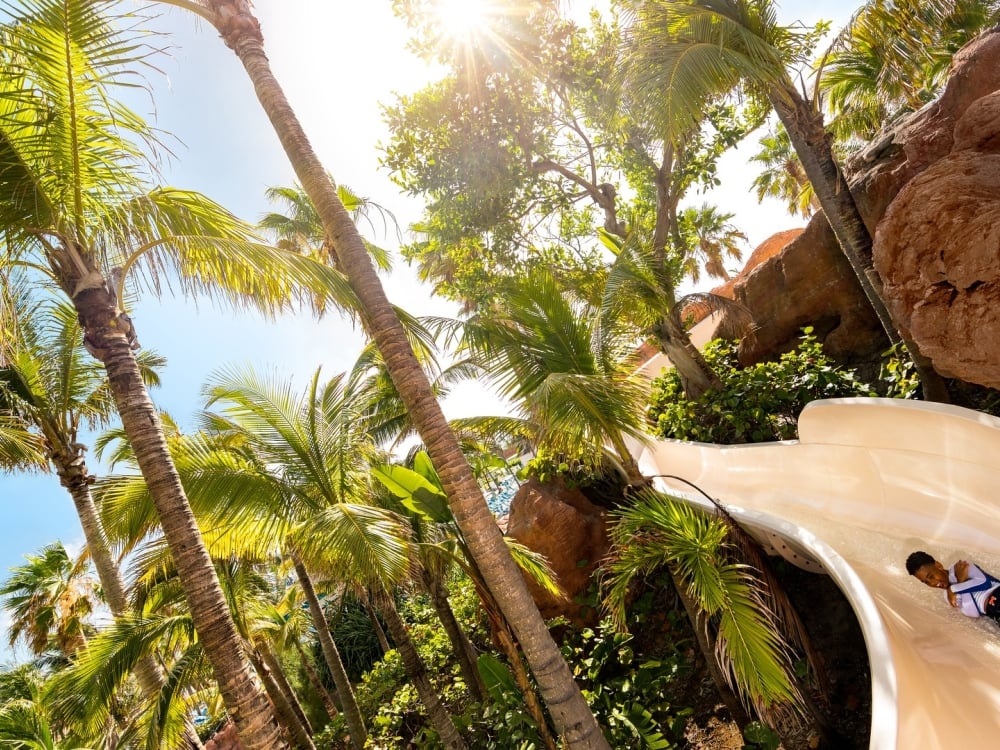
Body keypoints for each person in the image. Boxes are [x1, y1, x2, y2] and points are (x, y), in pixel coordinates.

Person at [906, 550, 1000, 626]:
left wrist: (953, 589)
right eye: (926, 582)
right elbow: (973, 613)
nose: (933, 583)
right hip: (992, 613)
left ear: (938, 566)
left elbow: (984, 583)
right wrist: (960, 582)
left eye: (931, 576)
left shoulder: (960, 567)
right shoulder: (947, 596)